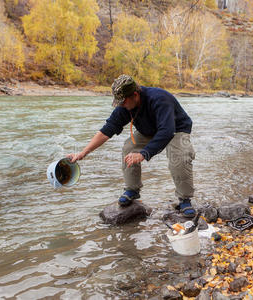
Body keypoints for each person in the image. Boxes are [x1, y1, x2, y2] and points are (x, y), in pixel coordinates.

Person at [67, 74, 196, 217]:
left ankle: (185, 198)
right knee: (129, 147)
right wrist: (83, 153)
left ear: (135, 94)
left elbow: (167, 131)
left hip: (175, 129)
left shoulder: (159, 99)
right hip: (149, 130)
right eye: (119, 102)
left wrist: (143, 153)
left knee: (180, 156)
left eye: (123, 102)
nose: (121, 105)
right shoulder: (125, 106)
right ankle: (132, 190)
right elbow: (107, 130)